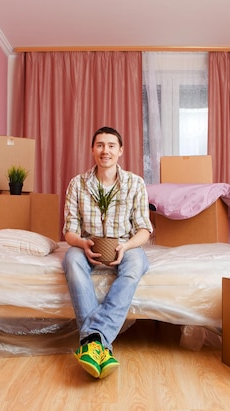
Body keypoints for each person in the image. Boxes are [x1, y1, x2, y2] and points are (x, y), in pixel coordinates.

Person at [62, 126, 153, 379]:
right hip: (88, 244)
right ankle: (100, 344)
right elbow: (69, 232)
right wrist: (82, 245)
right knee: (70, 259)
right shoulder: (77, 184)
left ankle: (93, 340)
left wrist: (126, 246)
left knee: (136, 265)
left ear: (120, 151)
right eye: (100, 145)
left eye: (111, 145)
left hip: (126, 244)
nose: (106, 151)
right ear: (92, 150)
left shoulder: (135, 183)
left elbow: (144, 230)